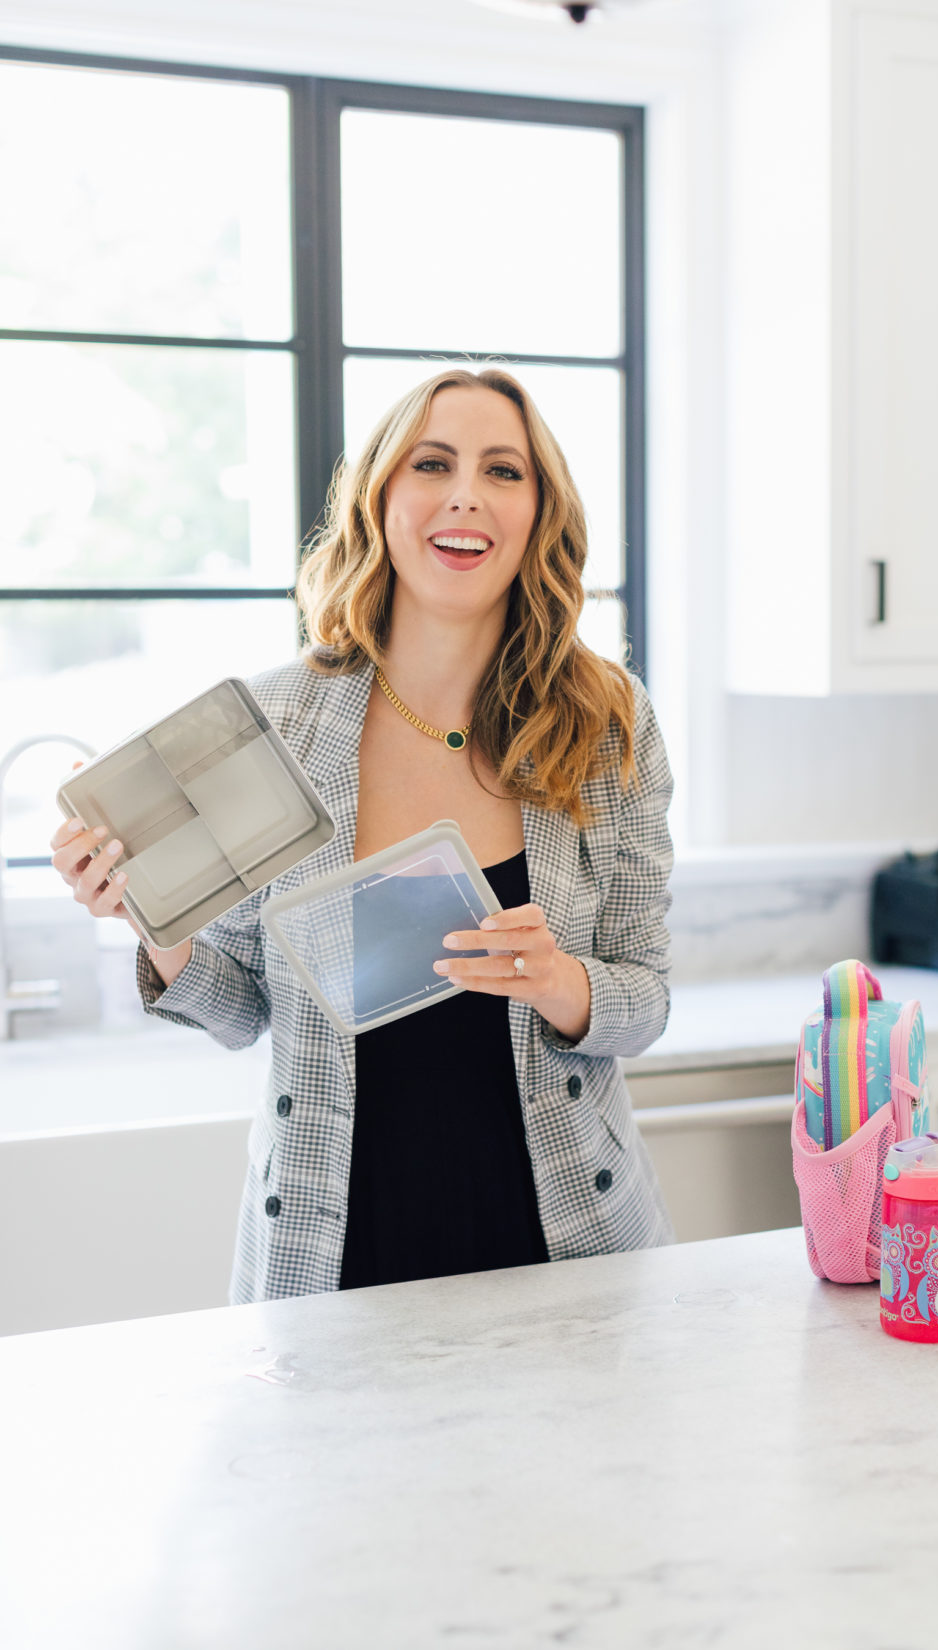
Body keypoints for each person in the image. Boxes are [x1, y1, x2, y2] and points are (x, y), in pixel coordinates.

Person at [49, 366, 676, 1304]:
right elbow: (242, 1011)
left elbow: (647, 997)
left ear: (539, 514)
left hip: (567, 1241)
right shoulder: (276, 725)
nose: (466, 493)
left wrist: (564, 982)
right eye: (433, 463)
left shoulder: (605, 725)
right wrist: (156, 924)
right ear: (381, 500)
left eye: (504, 470)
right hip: (333, 1248)